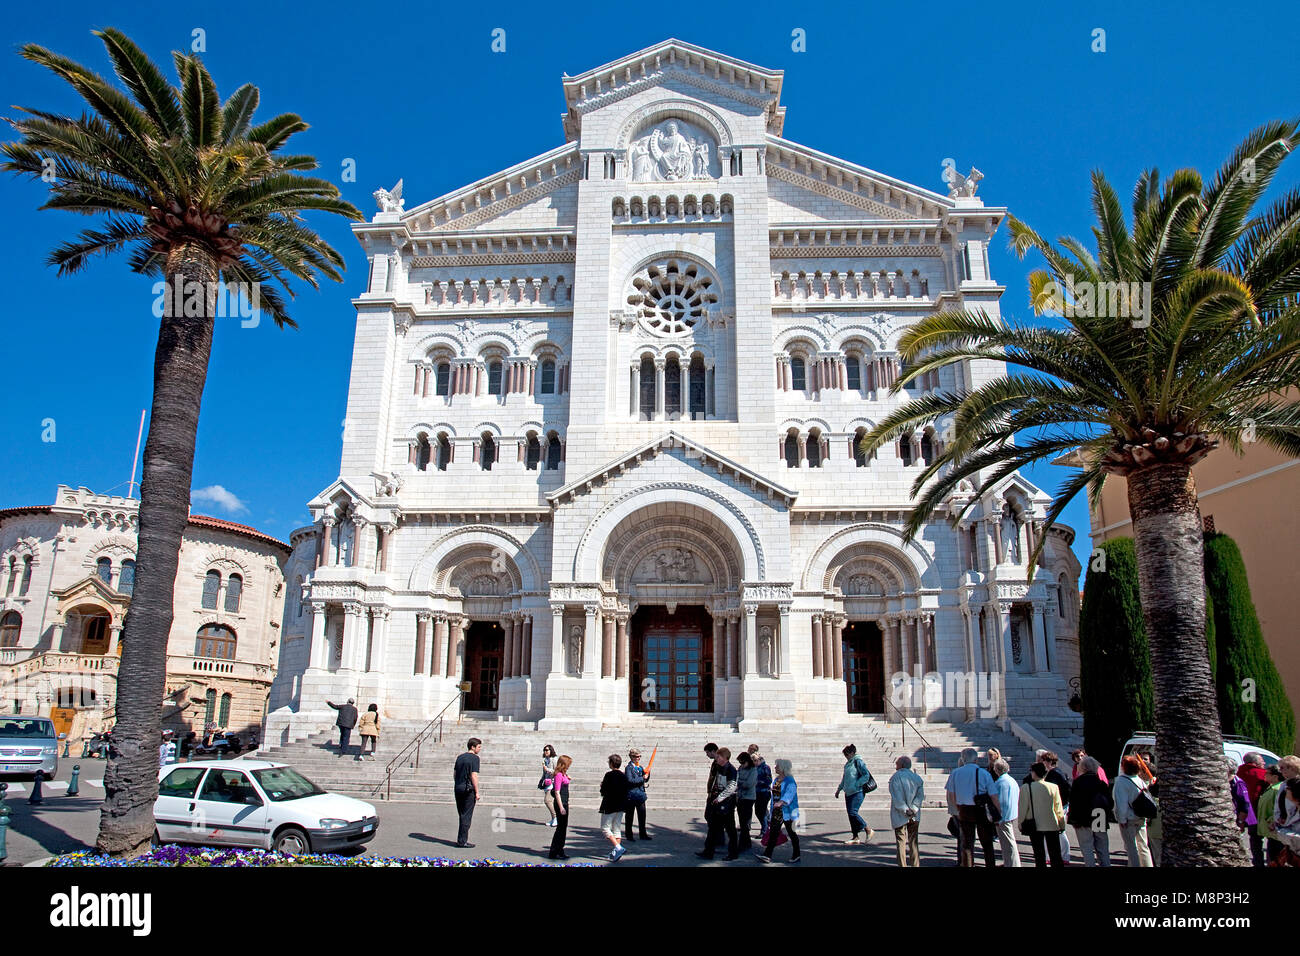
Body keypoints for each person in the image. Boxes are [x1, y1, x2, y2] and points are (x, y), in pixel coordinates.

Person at [946, 747, 998, 867]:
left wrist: (956, 810)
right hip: (981, 809)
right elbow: (993, 795)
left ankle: (968, 864)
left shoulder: (955, 773)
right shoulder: (984, 773)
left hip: (964, 809)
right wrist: (998, 811)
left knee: (967, 844)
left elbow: (951, 794)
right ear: (976, 760)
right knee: (987, 843)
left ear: (963, 759)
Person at [1018, 761, 1066, 866]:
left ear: (1034, 773)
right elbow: (1058, 808)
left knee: (1039, 855)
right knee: (1055, 855)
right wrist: (1062, 824)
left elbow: (1023, 808)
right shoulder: (1053, 787)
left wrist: (1020, 823)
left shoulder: (1026, 787)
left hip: (1034, 825)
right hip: (1052, 824)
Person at [1067, 756, 1112, 866]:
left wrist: (1073, 819)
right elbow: (1109, 802)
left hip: (1083, 818)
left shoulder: (1078, 782)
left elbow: (1074, 802)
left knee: (1086, 847)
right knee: (1102, 847)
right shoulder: (1101, 783)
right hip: (1099, 816)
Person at [698, 747, 739, 860]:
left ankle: (733, 853)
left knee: (730, 829)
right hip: (717, 801)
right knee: (713, 827)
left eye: (719, 757)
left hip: (726, 804)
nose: (717, 759)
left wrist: (720, 797)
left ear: (725, 758)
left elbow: (732, 787)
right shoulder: (719, 767)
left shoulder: (731, 770)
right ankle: (708, 851)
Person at [1113, 755, 1154, 866]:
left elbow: (1121, 804)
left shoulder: (1121, 782)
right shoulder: (1139, 780)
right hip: (1141, 817)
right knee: (1143, 847)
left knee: (1132, 848)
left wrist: (1122, 820)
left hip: (1129, 819)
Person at [759, 757, 800, 864]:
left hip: (788, 811)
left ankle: (797, 853)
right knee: (773, 833)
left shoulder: (790, 780)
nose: (775, 767)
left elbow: (790, 794)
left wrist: (782, 802)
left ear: (782, 768)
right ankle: (767, 855)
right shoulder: (776, 780)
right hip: (777, 811)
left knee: (792, 833)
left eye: (777, 766)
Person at [889, 755, 924, 866]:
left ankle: (902, 864)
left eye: (897, 763)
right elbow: (920, 796)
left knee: (901, 842)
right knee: (913, 842)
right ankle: (915, 864)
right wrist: (914, 808)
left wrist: (905, 809)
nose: (896, 766)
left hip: (900, 814)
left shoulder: (895, 778)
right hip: (914, 814)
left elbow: (897, 797)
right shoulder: (917, 778)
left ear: (901, 765)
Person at [834, 744, 874, 844]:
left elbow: (866, 775)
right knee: (850, 814)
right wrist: (839, 789)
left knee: (853, 812)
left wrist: (857, 784)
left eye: (847, 754)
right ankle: (855, 836)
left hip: (857, 791)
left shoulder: (858, 761)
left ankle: (867, 829)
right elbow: (844, 778)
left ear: (852, 753)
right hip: (848, 792)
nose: (846, 757)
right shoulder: (847, 764)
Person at [1237, 753, 1269, 867]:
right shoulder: (1261, 774)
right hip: (1259, 811)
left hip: (1246, 811)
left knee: (1254, 840)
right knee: (1269, 840)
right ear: (1254, 763)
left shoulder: (1239, 772)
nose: (1264, 763)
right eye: (1262, 761)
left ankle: (1258, 863)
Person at [989, 758, 1021, 866]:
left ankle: (1013, 864)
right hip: (1010, 814)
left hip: (1003, 816)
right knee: (1007, 842)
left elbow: (1000, 801)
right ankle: (1008, 862)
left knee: (1008, 842)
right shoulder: (1011, 780)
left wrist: (997, 817)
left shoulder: (1000, 782)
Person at [600, 754, 630, 862]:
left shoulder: (609, 775)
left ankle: (618, 847)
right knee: (617, 828)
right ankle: (616, 853)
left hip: (609, 805)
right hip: (621, 805)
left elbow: (603, 791)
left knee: (605, 828)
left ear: (612, 763)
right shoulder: (623, 776)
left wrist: (601, 786)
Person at [453, 737, 482, 849]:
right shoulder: (475, 758)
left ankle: (461, 838)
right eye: (478, 747)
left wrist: (458, 783)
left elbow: (455, 774)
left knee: (461, 814)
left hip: (458, 787)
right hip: (468, 789)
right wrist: (477, 791)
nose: (479, 749)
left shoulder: (460, 757)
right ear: (472, 747)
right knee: (466, 816)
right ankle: (462, 841)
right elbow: (473, 775)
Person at [1228, 755, 1257, 860]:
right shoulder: (1227, 782)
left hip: (1240, 819)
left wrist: (1241, 822)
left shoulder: (1238, 783)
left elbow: (1244, 803)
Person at [1256, 764, 1285, 864]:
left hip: (1275, 830)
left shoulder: (1278, 789)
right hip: (1270, 830)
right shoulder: (1271, 787)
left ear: (1275, 776)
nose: (1264, 774)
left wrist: (1272, 821)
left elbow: (1282, 808)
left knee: (1275, 858)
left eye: (1267, 773)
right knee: (1271, 856)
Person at [549, 755, 573, 860]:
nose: (569, 766)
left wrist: (568, 778)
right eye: (568, 764)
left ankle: (560, 849)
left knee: (563, 828)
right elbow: (557, 792)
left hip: (564, 802)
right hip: (561, 803)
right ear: (563, 764)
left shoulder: (563, 774)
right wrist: (561, 807)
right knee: (560, 828)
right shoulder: (558, 775)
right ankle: (554, 851)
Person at [624, 748, 651, 841]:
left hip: (640, 794)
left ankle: (643, 834)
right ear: (631, 757)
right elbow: (630, 780)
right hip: (631, 795)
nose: (638, 758)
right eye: (636, 757)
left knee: (642, 815)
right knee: (629, 816)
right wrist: (642, 778)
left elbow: (645, 779)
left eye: (639, 756)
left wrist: (648, 773)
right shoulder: (629, 768)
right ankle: (629, 834)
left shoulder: (640, 767)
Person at [736, 751, 757, 851]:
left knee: (745, 821)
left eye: (743, 763)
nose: (742, 765)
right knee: (741, 820)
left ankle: (742, 843)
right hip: (740, 796)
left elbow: (749, 784)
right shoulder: (740, 768)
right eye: (740, 763)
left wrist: (740, 783)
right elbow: (736, 780)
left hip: (749, 797)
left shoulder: (753, 770)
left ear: (748, 761)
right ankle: (747, 842)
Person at [751, 746, 773, 838]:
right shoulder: (754, 768)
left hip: (764, 792)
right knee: (757, 811)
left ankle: (764, 830)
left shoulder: (765, 767)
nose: (754, 763)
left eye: (755, 761)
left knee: (762, 811)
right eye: (753, 761)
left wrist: (759, 782)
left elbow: (769, 780)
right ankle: (765, 825)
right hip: (756, 792)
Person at [702, 742, 720, 850]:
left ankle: (714, 841)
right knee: (710, 817)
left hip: (716, 794)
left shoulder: (719, 762)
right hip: (712, 793)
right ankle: (716, 839)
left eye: (707, 752)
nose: (707, 755)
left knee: (712, 818)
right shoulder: (716, 762)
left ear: (713, 751)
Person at [541, 744, 558, 826]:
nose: (545, 751)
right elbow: (544, 772)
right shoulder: (545, 760)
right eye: (544, 750)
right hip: (547, 782)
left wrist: (547, 769)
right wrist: (542, 780)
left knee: (547, 800)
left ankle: (556, 817)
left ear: (551, 750)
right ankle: (553, 818)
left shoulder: (554, 759)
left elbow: (557, 771)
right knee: (549, 801)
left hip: (553, 782)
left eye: (547, 750)